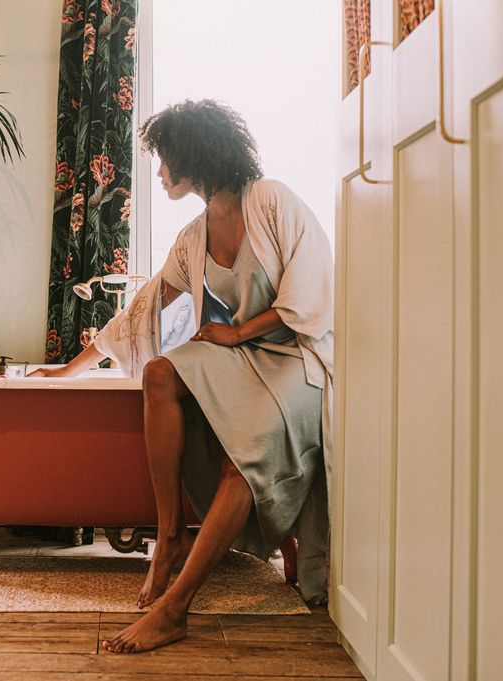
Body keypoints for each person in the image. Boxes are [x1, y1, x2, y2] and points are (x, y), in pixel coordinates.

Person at [31, 99, 334, 653]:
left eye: (165, 157)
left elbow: (312, 292)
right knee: (161, 373)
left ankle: (176, 608)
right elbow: (143, 310)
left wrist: (239, 334)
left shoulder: (270, 200)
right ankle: (169, 534)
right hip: (242, 359)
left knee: (247, 455)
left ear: (195, 153)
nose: (160, 170)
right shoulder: (195, 236)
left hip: (296, 361)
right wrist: (70, 370)